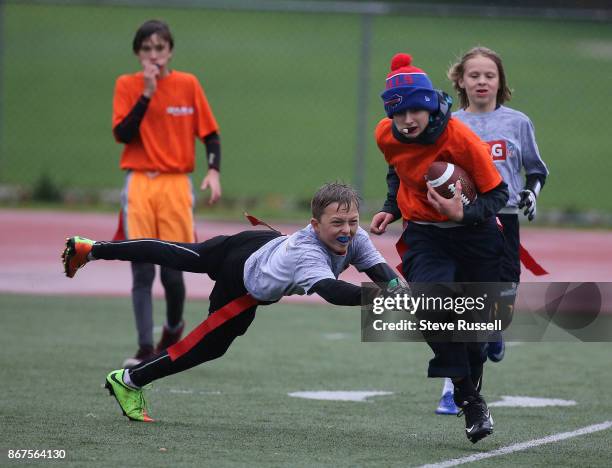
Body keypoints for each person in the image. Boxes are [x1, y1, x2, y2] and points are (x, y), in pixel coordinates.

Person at [62, 182, 407, 422]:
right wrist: (384, 299)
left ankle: (91, 249)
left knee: (180, 253)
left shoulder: (355, 235)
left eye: (351, 221)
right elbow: (332, 292)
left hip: (255, 243)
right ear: (315, 225)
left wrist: (397, 287)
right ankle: (128, 380)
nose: (347, 229)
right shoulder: (307, 252)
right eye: (337, 223)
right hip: (241, 283)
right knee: (206, 347)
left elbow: (377, 268)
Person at [370, 53, 509, 443]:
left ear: (430, 105)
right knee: (431, 305)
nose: (408, 120)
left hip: (477, 235)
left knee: (474, 337)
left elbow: (498, 193)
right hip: (426, 237)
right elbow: (397, 170)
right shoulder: (385, 134)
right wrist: (390, 207)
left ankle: (471, 384)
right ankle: (469, 399)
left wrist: (461, 212)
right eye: (399, 113)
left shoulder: (460, 138)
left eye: (416, 109)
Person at [434, 46, 549, 416]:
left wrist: (531, 193)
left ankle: (494, 332)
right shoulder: (449, 124)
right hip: (464, 222)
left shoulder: (518, 122)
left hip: (506, 219)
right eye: (474, 75)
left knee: (499, 302)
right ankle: (453, 391)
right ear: (460, 82)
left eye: (489, 75)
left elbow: (537, 170)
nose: (482, 81)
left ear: (500, 82)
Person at [111, 20, 223, 367]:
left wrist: (214, 171)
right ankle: (145, 348)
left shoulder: (187, 84)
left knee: (173, 268)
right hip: (141, 183)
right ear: (137, 53)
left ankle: (173, 329)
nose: (154, 55)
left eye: (160, 48)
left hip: (175, 184)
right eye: (146, 48)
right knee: (141, 268)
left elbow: (211, 134)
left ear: (170, 51)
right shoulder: (127, 85)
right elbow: (123, 135)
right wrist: (146, 93)